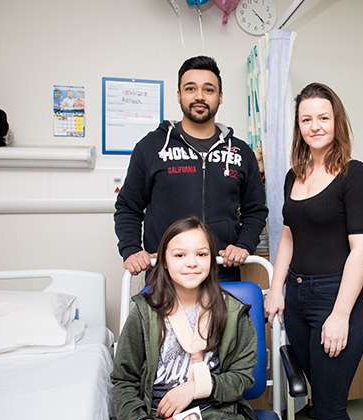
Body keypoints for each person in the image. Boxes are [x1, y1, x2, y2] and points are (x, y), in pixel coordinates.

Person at [264, 83, 363, 420]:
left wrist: (340, 314)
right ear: (298, 126)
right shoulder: (292, 176)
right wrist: (275, 288)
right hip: (297, 298)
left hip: (336, 296)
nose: (315, 126)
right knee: (320, 394)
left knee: (329, 411)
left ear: (336, 121)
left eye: (323, 118)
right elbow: (287, 236)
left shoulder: (353, 174)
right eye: (306, 119)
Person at [114, 55, 268, 282]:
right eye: (190, 89)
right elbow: (128, 207)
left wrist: (243, 245)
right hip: (165, 275)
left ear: (220, 97)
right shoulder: (152, 147)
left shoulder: (240, 152)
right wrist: (131, 249)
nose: (199, 96)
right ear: (179, 95)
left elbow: (255, 210)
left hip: (222, 273)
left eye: (208, 90)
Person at [112, 216, 259, 420]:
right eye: (180, 255)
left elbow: (242, 378)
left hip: (215, 413)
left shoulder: (233, 312)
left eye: (201, 254)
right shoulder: (144, 314)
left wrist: (194, 388)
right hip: (156, 416)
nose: (191, 262)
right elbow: (124, 380)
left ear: (211, 259)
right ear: (164, 261)